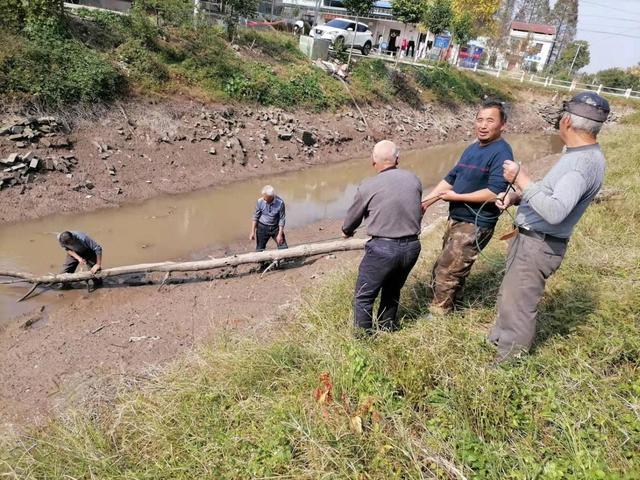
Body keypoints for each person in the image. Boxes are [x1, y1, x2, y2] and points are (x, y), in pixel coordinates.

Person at [488, 92, 609, 362]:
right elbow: (551, 192)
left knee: (520, 304)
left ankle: (509, 364)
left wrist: (522, 179)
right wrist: (516, 196)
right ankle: (500, 340)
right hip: (531, 239)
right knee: (511, 295)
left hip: (539, 243)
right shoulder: (580, 154)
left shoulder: (581, 164)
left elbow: (555, 211)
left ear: (566, 121)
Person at [422, 101, 513, 314]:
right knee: (448, 266)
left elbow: (495, 193)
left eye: (490, 121)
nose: (483, 125)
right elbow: (452, 177)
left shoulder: (502, 152)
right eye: (480, 119)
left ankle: (438, 317)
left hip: (475, 223)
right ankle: (453, 306)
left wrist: (458, 196)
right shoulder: (473, 148)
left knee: (448, 271)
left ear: (503, 125)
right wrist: (427, 201)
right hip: (457, 218)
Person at [342, 140, 423, 335]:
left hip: (382, 249)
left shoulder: (367, 186)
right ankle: (387, 330)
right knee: (392, 291)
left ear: (373, 162)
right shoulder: (414, 179)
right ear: (397, 159)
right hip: (412, 247)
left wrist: (347, 231)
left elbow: (351, 221)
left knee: (364, 296)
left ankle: (363, 341)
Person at [250, 185, 287, 252]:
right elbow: (255, 216)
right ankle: (263, 262)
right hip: (262, 227)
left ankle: (284, 261)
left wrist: (280, 234)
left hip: (275, 228)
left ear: (271, 197)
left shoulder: (280, 203)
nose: (264, 199)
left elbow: (282, 219)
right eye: (263, 197)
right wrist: (252, 232)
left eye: (265, 198)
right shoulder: (260, 201)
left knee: (283, 247)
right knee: (260, 249)